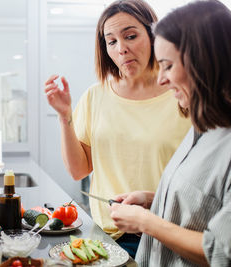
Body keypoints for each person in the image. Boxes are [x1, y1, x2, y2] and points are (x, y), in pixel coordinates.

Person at [44, 0, 190, 258]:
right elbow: (79, 170)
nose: (121, 49)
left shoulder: (182, 94)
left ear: (154, 35)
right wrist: (65, 115)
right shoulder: (96, 95)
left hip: (169, 235)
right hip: (107, 237)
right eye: (111, 41)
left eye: (131, 36)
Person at [109, 0, 231, 266]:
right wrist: (153, 200)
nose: (162, 80)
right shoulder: (203, 126)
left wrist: (146, 222)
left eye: (168, 65)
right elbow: (206, 206)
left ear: (203, 63)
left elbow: (221, 252)